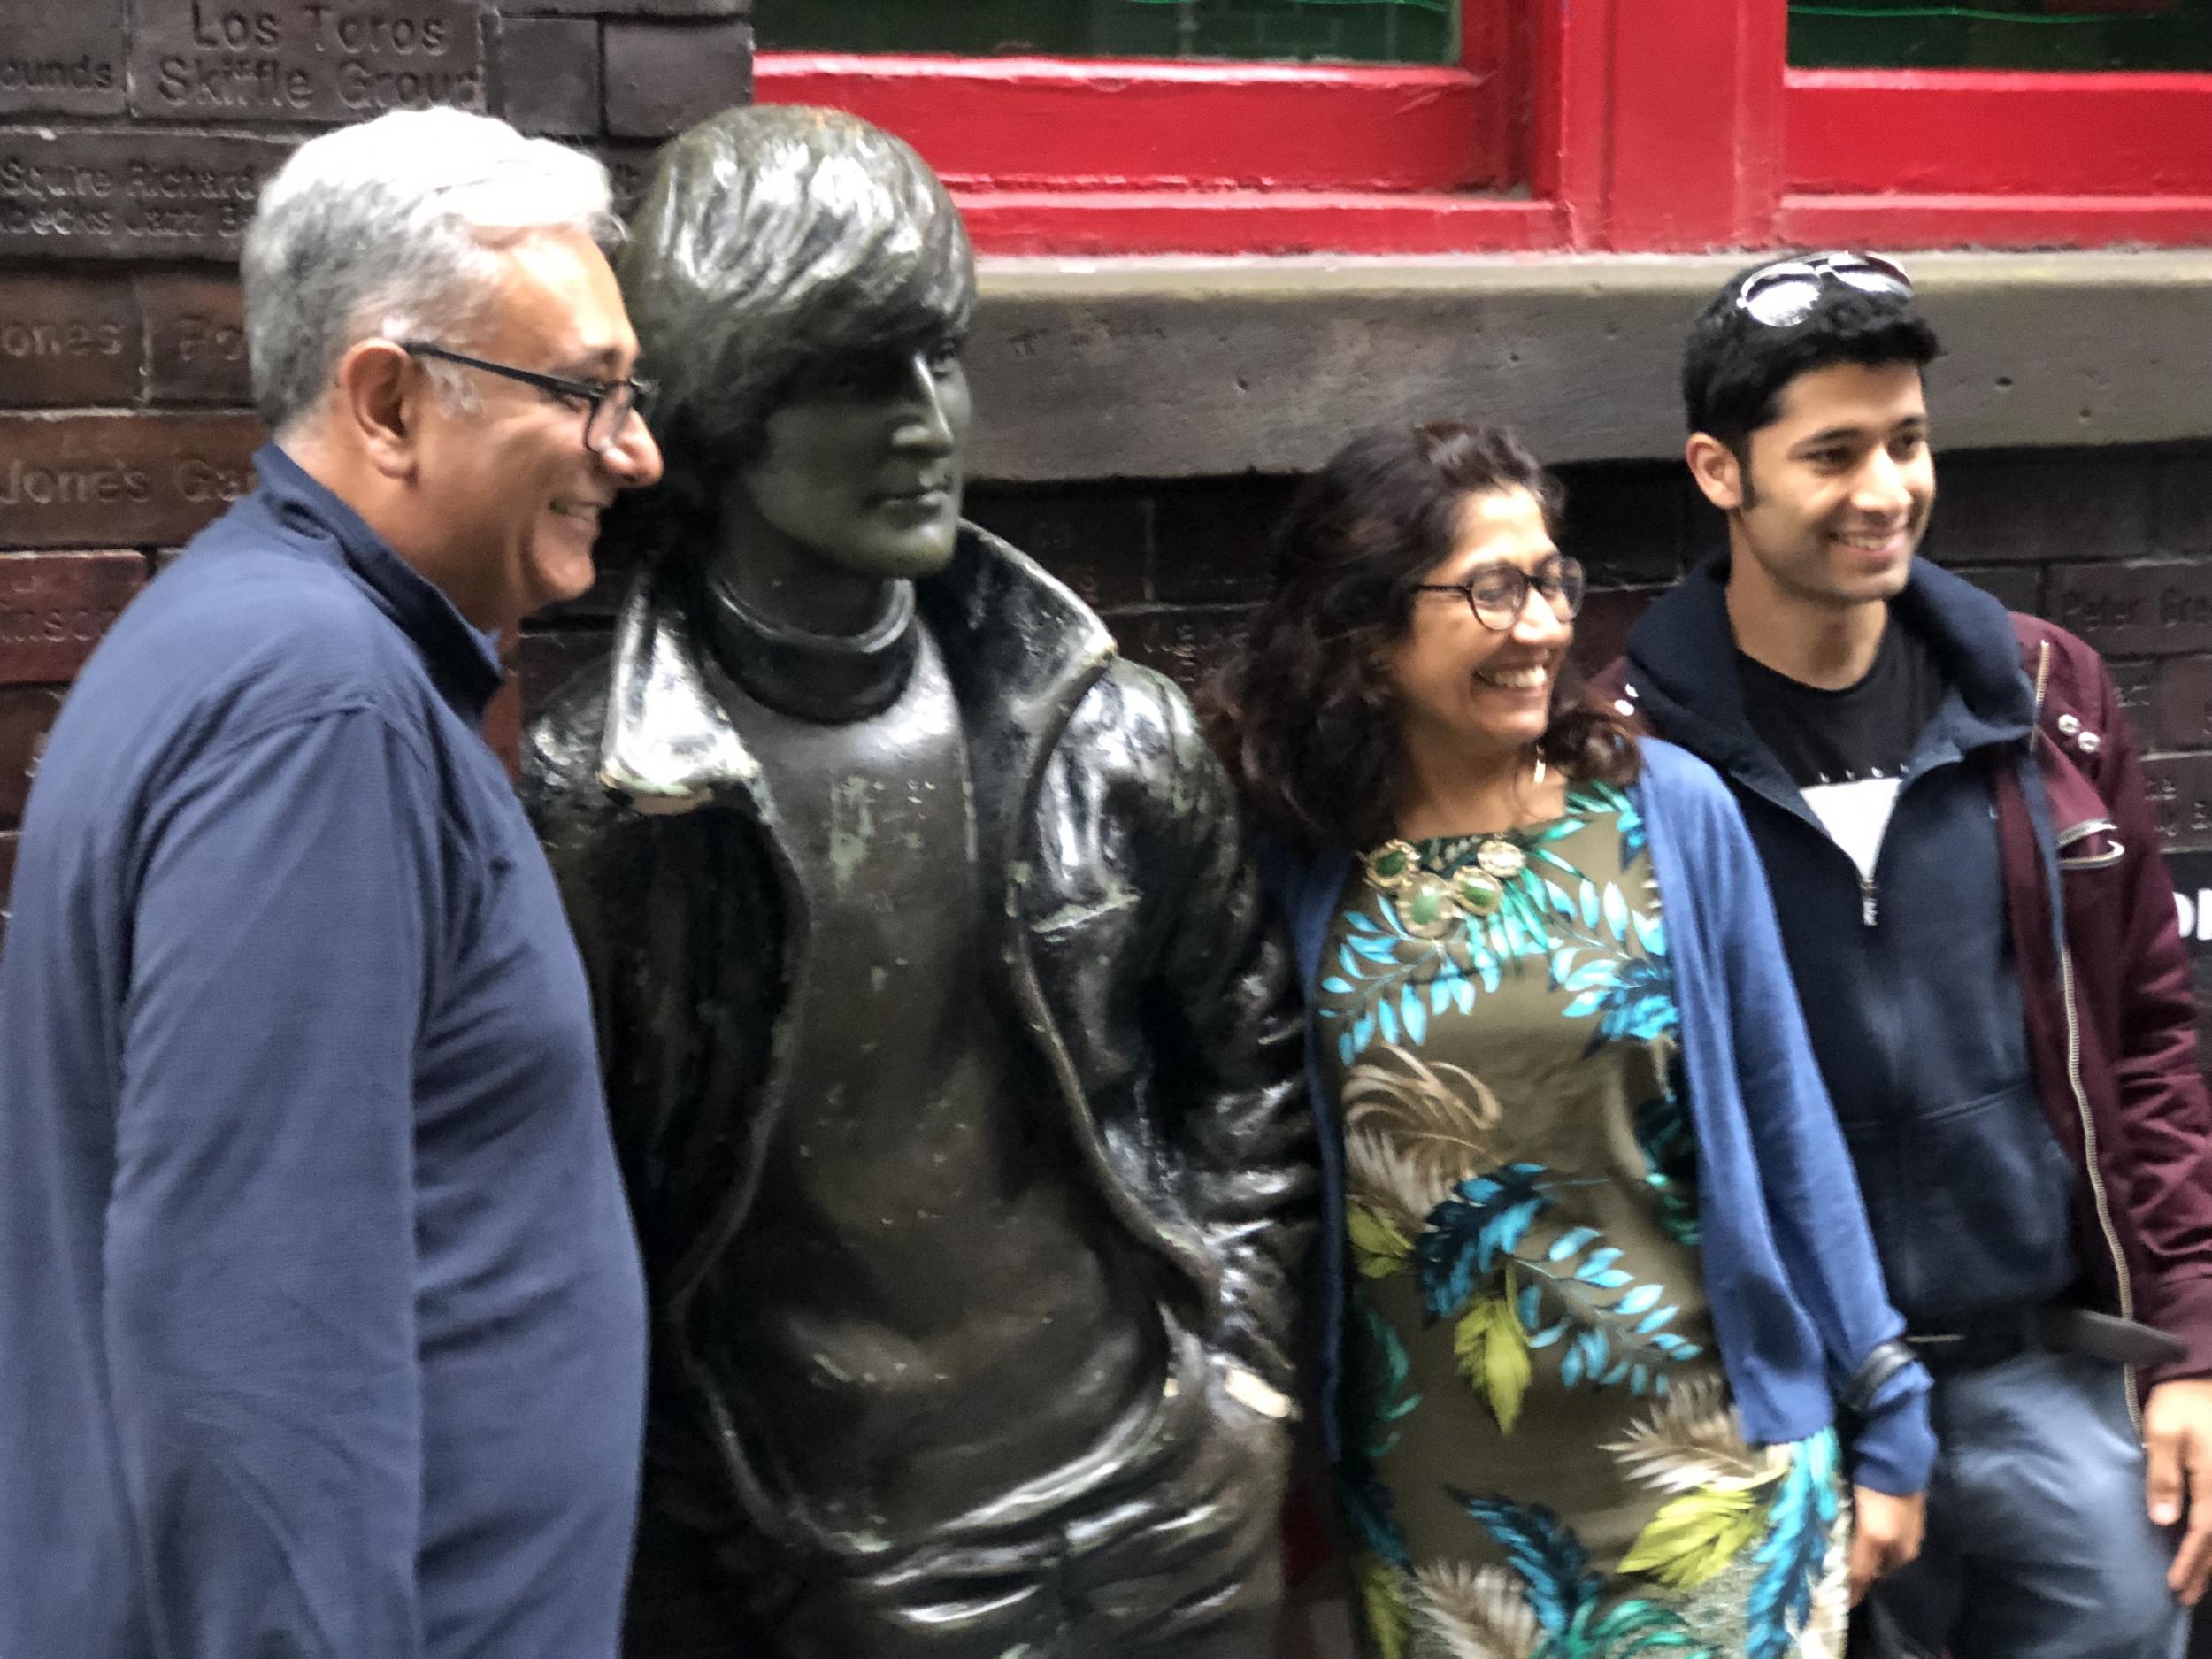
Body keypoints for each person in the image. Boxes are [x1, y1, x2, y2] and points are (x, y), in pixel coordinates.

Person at [523, 105, 1313, 1658]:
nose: (922, 418)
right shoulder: (609, 806)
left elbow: (1252, 1072)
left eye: (936, 358)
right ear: (722, 409)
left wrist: (1248, 1388)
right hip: (852, 1575)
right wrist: (740, 1546)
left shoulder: (1109, 733)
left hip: (1170, 1501)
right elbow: (580, 1231)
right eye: (848, 372)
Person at [0, 107, 663, 1658]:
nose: (634, 451)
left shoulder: (274, 647)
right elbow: (251, 1342)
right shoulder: (321, 711)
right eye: (585, 392)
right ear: (386, 401)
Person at [1207, 420, 1932, 1657]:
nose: (1543, 625)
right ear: (1365, 632)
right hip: (1439, 1516)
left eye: (1552, 580)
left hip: (1716, 1484)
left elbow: (1780, 1112)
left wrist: (1890, 1406)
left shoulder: (1667, 814)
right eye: (1494, 588)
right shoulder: (1290, 860)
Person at [1598, 251, 2212, 1657]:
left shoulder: (2048, 697)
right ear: (1719, 469)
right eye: (1833, 452)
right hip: (1780, 1399)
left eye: (1908, 440)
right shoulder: (1625, 754)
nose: (1886, 489)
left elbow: (2150, 1033)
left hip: (2042, 1368)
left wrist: (2194, 1341)